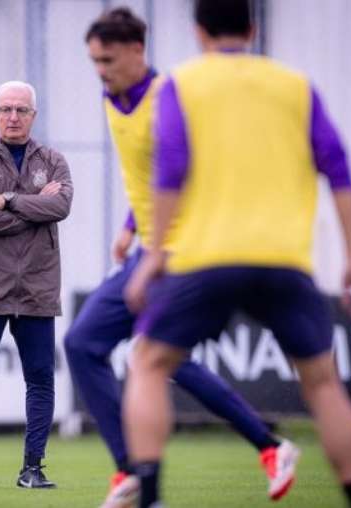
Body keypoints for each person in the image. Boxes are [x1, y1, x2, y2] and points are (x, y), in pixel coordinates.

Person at [122, 1, 351, 507]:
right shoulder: (295, 86)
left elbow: (170, 170)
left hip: (206, 259)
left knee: (149, 363)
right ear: (253, 28)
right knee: (324, 384)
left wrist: (152, 255)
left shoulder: (182, 85)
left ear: (198, 32)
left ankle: (149, 496)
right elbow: (339, 166)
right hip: (283, 260)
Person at [65, 8, 299, 507]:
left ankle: (153, 475)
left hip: (183, 249)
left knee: (153, 357)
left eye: (107, 59)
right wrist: (131, 227)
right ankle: (259, 448)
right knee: (86, 344)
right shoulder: (112, 96)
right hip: (147, 248)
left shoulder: (171, 97)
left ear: (135, 50)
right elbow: (151, 172)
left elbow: (189, 172)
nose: (100, 70)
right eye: (93, 61)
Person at [0, 80, 73, 490]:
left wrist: (7, 199)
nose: (13, 116)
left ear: (33, 115)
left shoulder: (53, 160)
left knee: (40, 379)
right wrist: (35, 204)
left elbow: (62, 206)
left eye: (21, 110)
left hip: (38, 288)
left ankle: (32, 469)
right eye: (5, 109)